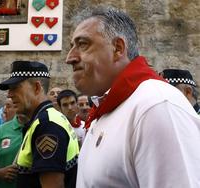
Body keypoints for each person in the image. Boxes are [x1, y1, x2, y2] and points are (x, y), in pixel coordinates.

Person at [65, 5, 200, 188]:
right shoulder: (107, 108)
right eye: (71, 46)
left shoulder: (156, 106)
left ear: (118, 48)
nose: (70, 57)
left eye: (83, 44)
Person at [0, 60, 79, 188]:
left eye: (15, 88)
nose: (9, 94)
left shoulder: (46, 125)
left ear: (36, 87)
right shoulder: (47, 119)